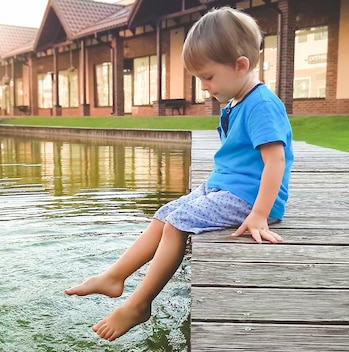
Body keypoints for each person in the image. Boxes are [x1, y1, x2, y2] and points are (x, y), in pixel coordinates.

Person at [65, 6, 294, 342]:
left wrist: (259, 215)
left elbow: (276, 161)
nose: (203, 87)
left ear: (240, 66)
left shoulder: (261, 104)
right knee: (165, 213)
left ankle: (139, 304)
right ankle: (115, 276)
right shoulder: (238, 100)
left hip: (249, 199)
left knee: (177, 224)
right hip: (226, 188)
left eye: (208, 77)